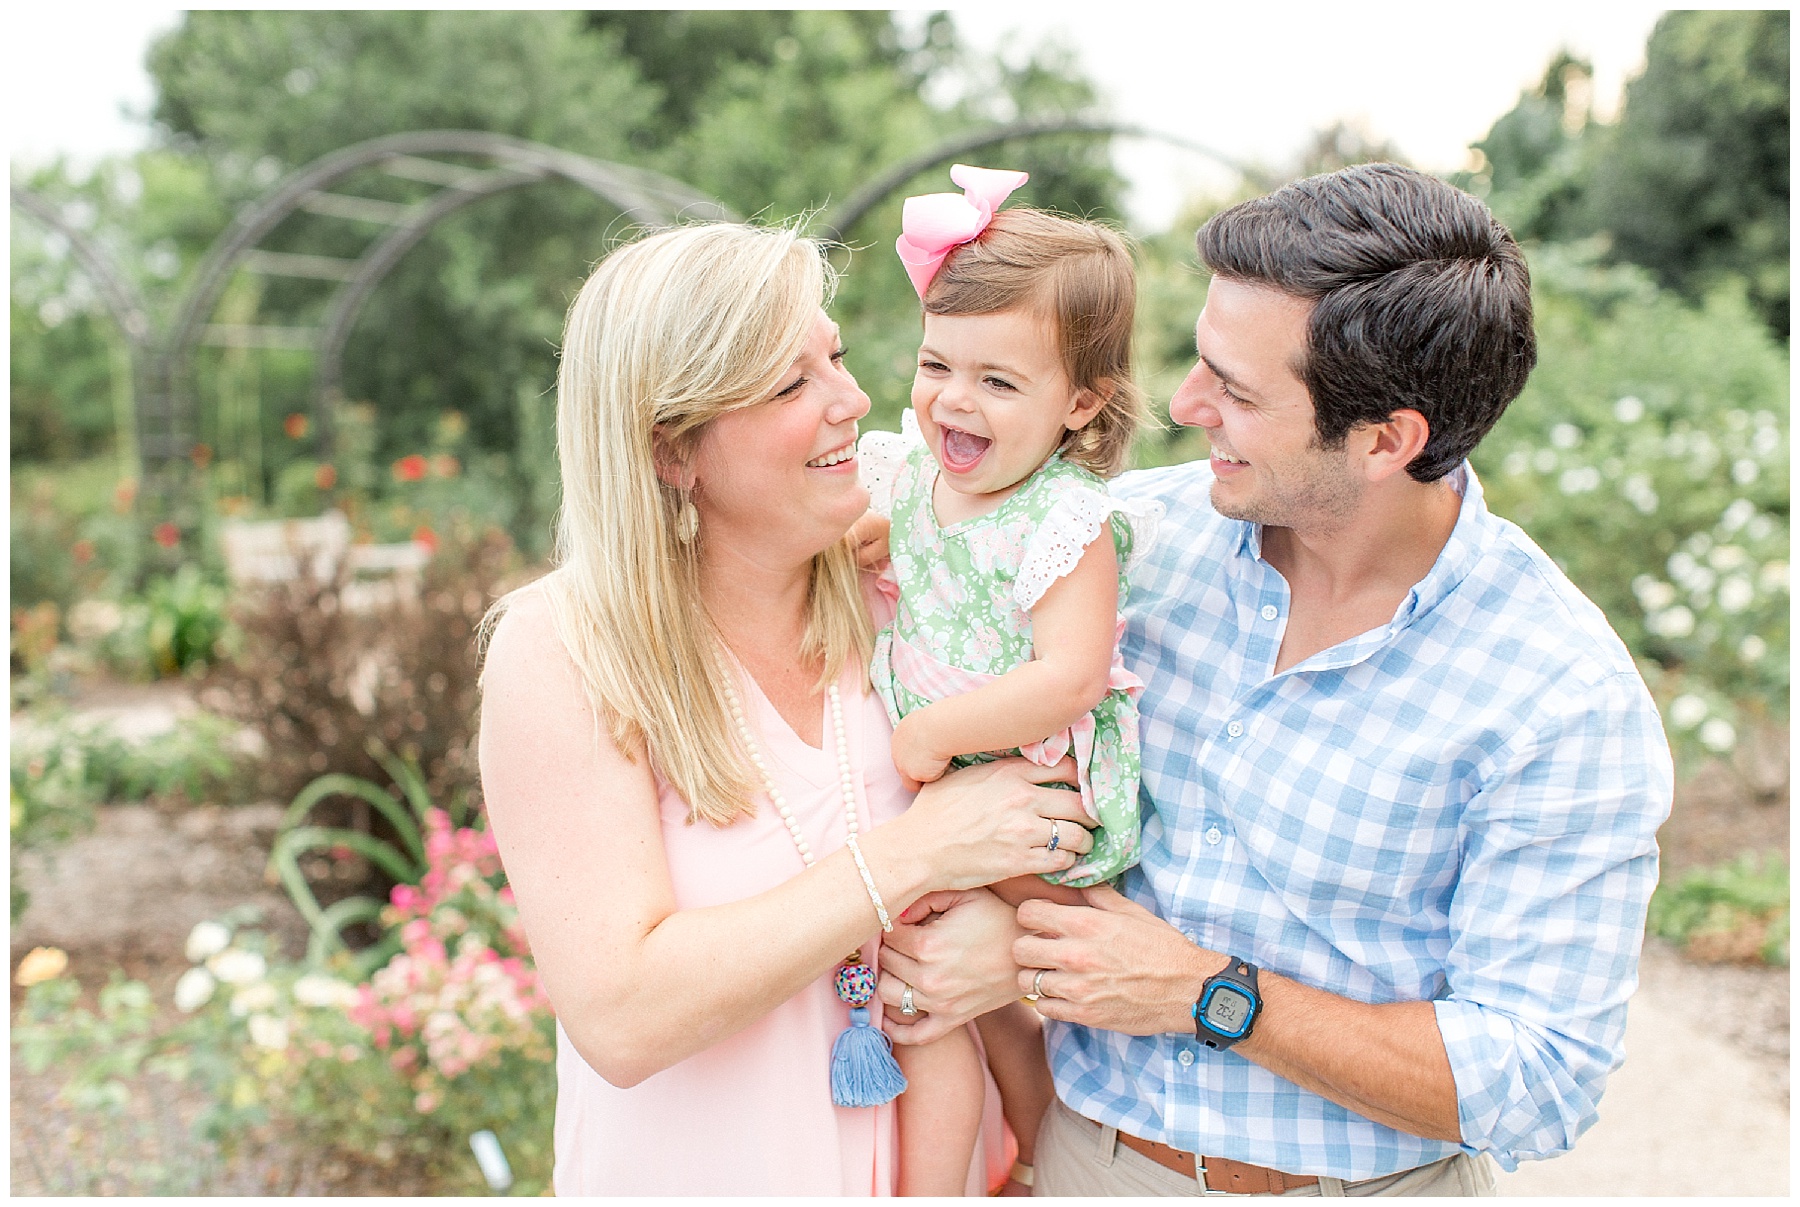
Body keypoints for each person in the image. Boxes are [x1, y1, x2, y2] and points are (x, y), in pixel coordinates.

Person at [870, 163, 1675, 1196]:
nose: (1183, 403)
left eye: (1237, 391)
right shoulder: (1126, 542)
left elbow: (1538, 1079)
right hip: (1084, 1163)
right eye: (1202, 362)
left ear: (1388, 440)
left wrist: (1212, 994)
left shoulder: (1558, 694)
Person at [476, 221, 1098, 1196]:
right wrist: (917, 856)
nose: (852, 401)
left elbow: (1052, 837)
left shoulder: (911, 583)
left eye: (837, 358)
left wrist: (1009, 958)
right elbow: (625, 1016)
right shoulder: (563, 651)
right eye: (789, 385)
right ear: (672, 451)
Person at [855, 165, 1161, 1194]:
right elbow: (865, 544)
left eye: (999, 381)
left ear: (1081, 402)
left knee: (1019, 965)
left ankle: (1045, 1151)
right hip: (949, 783)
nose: (953, 399)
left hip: (1033, 789)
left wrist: (931, 734)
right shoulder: (911, 477)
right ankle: (1006, 1167)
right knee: (941, 996)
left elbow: (1070, 675)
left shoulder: (1064, 520)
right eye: (939, 363)